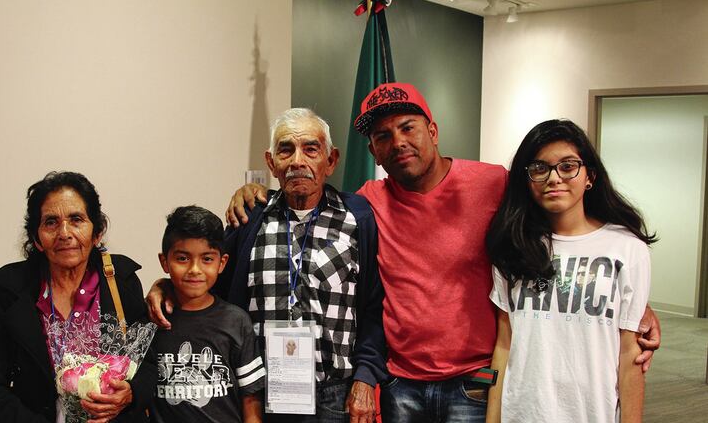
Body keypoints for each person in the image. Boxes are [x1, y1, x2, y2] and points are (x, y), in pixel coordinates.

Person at [224, 83, 661, 422]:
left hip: (472, 382)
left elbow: (562, 226)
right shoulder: (364, 205)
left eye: (408, 128)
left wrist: (632, 305)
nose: (398, 142)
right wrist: (254, 193)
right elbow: (304, 207)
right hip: (400, 385)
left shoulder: (493, 183)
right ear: (373, 151)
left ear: (432, 131)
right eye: (383, 136)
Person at [147, 108, 386, 423]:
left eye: (310, 149)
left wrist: (366, 376)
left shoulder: (359, 218)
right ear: (272, 162)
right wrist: (164, 285)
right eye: (286, 149)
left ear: (331, 160)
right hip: (262, 393)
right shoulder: (249, 218)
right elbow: (205, 276)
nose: (297, 160)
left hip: (335, 394)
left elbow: (374, 305)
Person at [485, 119, 654, 423]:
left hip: (593, 413)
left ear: (589, 176)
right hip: (524, 412)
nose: (554, 178)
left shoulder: (627, 249)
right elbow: (504, 344)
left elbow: (631, 354)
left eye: (567, 166)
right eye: (539, 168)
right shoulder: (513, 245)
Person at [0, 171, 156, 423]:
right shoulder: (11, 289)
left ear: (97, 232)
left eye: (76, 219)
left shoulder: (120, 279)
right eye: (50, 222)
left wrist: (132, 394)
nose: (64, 233)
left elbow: (151, 362)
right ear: (37, 238)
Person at [151, 205, 264, 423]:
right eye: (183, 258)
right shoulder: (154, 318)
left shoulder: (236, 321)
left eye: (207, 259)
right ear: (164, 261)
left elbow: (251, 399)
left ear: (222, 263)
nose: (195, 269)